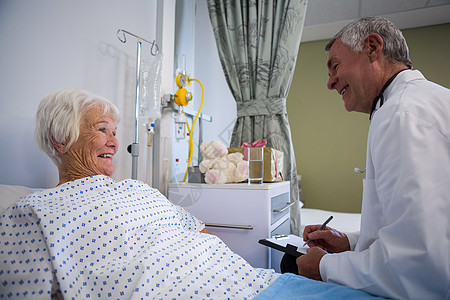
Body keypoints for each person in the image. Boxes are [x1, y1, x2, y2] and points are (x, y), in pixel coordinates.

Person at [0, 88, 280, 298]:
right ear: (61, 140)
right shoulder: (35, 211)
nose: (115, 142)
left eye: (114, 131)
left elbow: (202, 234)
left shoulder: (137, 188)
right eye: (102, 130)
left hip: (255, 285)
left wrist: (238, 277)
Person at [296, 17, 450, 299]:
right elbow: (419, 229)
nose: (330, 83)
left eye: (336, 66)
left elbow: (419, 262)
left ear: (373, 47)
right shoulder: (414, 104)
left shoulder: (402, 114)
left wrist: (325, 265)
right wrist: (351, 243)